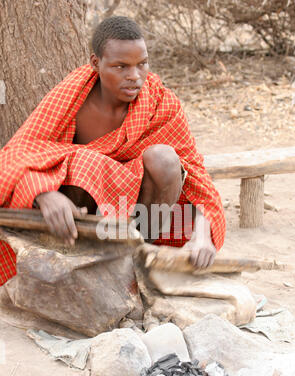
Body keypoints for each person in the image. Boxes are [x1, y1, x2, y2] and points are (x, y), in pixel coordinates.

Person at [0, 16, 226, 287]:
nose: (135, 76)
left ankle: (135, 257)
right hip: (76, 212)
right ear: (96, 63)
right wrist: (43, 194)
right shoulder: (72, 97)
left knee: (165, 159)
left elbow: (197, 177)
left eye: (142, 64)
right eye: (121, 66)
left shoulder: (160, 102)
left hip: (136, 215)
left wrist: (203, 235)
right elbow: (20, 152)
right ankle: (76, 257)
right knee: (86, 161)